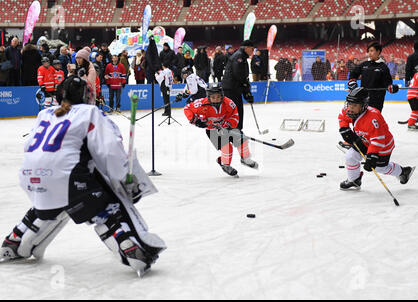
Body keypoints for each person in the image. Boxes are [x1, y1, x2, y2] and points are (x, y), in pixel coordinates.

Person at [0, 75, 166, 276]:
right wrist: (125, 180)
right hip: (66, 176)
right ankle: (131, 247)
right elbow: (110, 150)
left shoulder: (44, 113)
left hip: (29, 176)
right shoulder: (90, 112)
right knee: (107, 208)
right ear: (87, 95)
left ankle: (15, 240)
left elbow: (31, 148)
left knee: (52, 204)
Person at [338, 87, 414, 190]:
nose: (350, 108)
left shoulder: (373, 118)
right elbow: (342, 117)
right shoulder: (350, 111)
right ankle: (354, 180)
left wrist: (372, 155)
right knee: (350, 156)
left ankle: (403, 172)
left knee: (380, 168)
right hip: (365, 141)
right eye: (349, 104)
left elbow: (378, 140)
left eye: (354, 105)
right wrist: (344, 128)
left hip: (383, 146)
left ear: (363, 105)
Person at [184, 83, 258, 177]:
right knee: (226, 147)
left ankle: (245, 159)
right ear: (208, 97)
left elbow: (235, 116)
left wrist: (229, 124)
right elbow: (187, 108)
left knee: (242, 140)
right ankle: (225, 164)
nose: (216, 99)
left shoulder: (228, 103)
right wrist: (195, 120)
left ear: (222, 95)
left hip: (228, 127)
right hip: (212, 130)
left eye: (218, 97)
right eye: (213, 97)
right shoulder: (201, 104)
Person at [348, 42, 397, 112]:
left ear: (378, 51)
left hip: (377, 100)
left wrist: (391, 87)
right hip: (363, 97)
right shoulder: (364, 64)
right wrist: (352, 82)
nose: (369, 53)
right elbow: (354, 73)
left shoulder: (383, 67)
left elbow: (388, 83)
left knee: (374, 119)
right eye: (368, 51)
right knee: (362, 118)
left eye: (371, 51)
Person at [222, 40, 255, 130]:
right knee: (235, 110)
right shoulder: (239, 56)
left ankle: (236, 129)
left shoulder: (241, 56)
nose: (253, 51)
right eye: (252, 49)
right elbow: (239, 74)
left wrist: (246, 91)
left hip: (234, 88)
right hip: (231, 88)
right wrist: (246, 89)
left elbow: (242, 75)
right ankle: (234, 130)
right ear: (246, 48)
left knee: (238, 110)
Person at [406, 66, 418, 130]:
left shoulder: (415, 75)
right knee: (416, 110)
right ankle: (411, 124)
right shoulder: (417, 75)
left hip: (412, 95)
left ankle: (413, 121)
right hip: (414, 96)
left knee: (416, 110)